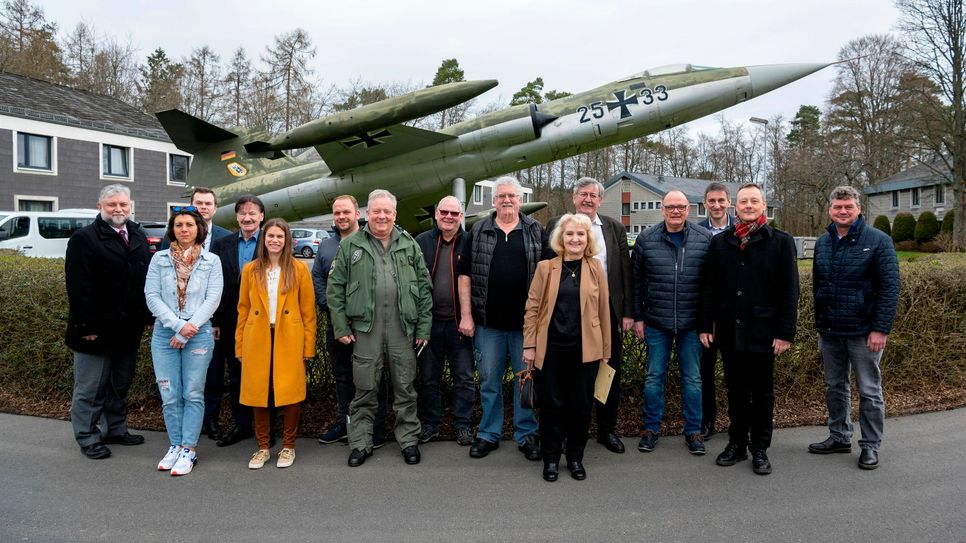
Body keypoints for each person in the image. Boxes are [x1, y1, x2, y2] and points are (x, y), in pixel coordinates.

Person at [327, 189, 433, 467]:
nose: (382, 216)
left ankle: (409, 440)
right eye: (376, 211)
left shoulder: (409, 244)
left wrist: (423, 329)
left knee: (405, 388)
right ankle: (361, 443)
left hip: (402, 329)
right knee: (364, 388)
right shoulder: (351, 246)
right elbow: (335, 289)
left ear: (394, 215)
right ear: (366, 215)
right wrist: (340, 326)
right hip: (366, 330)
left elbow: (423, 288)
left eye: (387, 211)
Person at [699, 183, 799, 476]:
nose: (748, 206)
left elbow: (789, 290)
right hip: (729, 331)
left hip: (764, 331)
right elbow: (709, 288)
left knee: (763, 392)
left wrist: (785, 332)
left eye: (754, 201)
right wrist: (706, 325)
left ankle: (760, 449)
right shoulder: (721, 243)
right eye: (743, 202)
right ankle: (737, 443)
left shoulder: (780, 241)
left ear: (763, 206)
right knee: (736, 390)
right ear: (735, 207)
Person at [808, 186, 899, 470]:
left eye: (848, 206)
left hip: (864, 332)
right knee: (835, 386)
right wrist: (820, 324)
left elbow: (890, 288)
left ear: (858, 208)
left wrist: (880, 328)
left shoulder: (878, 241)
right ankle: (839, 436)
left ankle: (870, 445)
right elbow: (818, 286)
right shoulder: (823, 242)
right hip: (831, 331)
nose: (843, 211)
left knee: (870, 391)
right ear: (830, 210)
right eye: (838, 207)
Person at [458, 176, 545, 461]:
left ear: (520, 200)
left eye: (512, 196)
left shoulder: (535, 230)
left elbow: (547, 277)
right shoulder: (479, 230)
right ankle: (488, 433)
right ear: (494, 200)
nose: (507, 200)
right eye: (501, 196)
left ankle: (526, 433)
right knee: (490, 381)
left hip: (525, 326)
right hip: (488, 324)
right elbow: (465, 275)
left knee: (526, 380)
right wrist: (467, 316)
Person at [544, 177, 633, 454]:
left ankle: (606, 430)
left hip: (605, 311)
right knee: (565, 379)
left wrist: (627, 312)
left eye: (593, 195)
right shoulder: (557, 225)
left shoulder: (614, 228)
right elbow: (546, 268)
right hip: (565, 311)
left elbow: (624, 273)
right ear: (574, 197)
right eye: (583, 194)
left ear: (600, 199)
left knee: (608, 373)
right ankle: (559, 435)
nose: (588, 199)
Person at [65, 184, 151, 460]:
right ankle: (88, 437)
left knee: (119, 383)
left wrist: (147, 316)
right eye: (112, 204)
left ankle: (115, 428)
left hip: (128, 329)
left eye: (123, 204)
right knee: (90, 388)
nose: (118, 209)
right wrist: (86, 327)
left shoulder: (137, 234)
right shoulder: (84, 238)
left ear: (130, 206)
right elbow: (79, 287)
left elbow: (143, 281)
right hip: (96, 330)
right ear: (100, 206)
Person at [525, 213, 611, 482]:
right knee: (551, 406)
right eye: (570, 234)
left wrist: (605, 350)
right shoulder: (545, 268)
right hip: (550, 350)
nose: (575, 239)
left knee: (581, 406)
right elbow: (532, 307)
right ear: (561, 238)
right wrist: (529, 345)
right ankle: (550, 459)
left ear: (588, 239)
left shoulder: (596, 267)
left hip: (585, 350)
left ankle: (575, 458)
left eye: (581, 234)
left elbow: (603, 310)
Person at [144, 207, 223, 475]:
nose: (184, 229)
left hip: (198, 332)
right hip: (166, 333)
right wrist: (178, 327)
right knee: (169, 394)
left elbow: (213, 299)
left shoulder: (212, 261)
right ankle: (175, 445)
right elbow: (152, 296)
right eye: (179, 225)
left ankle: (189, 448)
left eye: (189, 224)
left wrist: (189, 328)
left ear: (198, 229)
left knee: (192, 392)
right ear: (172, 229)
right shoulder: (159, 260)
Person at [632, 190, 711, 455]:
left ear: (688, 209)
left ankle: (694, 431)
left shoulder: (704, 239)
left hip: (691, 324)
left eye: (680, 207)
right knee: (654, 378)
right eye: (670, 207)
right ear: (662, 209)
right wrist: (639, 318)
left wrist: (707, 323)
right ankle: (651, 428)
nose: (675, 211)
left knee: (693, 380)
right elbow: (637, 283)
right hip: (657, 322)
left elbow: (711, 287)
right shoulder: (646, 239)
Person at [236, 218, 317, 469]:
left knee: (290, 393)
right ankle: (262, 447)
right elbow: (243, 309)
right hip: (257, 336)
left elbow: (308, 312)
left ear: (287, 240)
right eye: (270, 236)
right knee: (259, 393)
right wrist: (239, 345)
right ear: (264, 239)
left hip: (288, 337)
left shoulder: (298, 269)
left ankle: (288, 446)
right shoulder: (251, 269)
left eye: (279, 236)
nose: (274, 240)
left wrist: (308, 346)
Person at [312, 195, 389, 447]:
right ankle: (345, 423)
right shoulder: (326, 246)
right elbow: (320, 283)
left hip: (368, 325)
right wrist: (337, 314)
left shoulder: (372, 241)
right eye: (337, 213)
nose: (342, 217)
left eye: (346, 212)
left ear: (358, 214)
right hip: (338, 325)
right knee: (343, 377)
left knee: (373, 376)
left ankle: (375, 426)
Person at [161, 187, 232, 442]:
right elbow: (159, 287)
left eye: (208, 203)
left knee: (210, 375)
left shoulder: (226, 238)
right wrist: (175, 323)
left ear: (214, 208)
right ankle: (180, 430)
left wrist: (216, 321)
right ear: (191, 206)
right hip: (173, 324)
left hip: (209, 322)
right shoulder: (169, 240)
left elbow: (224, 287)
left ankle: (209, 420)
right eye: (198, 203)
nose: (203, 207)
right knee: (177, 379)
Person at [414, 196, 475, 446]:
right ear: (436, 214)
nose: (449, 217)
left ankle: (462, 425)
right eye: (444, 212)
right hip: (429, 325)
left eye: (455, 213)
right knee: (428, 378)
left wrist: (469, 316)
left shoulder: (470, 242)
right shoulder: (421, 242)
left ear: (461, 217)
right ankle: (431, 424)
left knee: (464, 377)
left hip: (459, 324)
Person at [211, 195, 265, 447]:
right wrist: (215, 321)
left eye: (253, 213)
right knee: (236, 375)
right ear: (236, 217)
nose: (247, 217)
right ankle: (242, 425)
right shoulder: (222, 244)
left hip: (266, 321)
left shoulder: (272, 240)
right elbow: (213, 285)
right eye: (242, 213)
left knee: (266, 374)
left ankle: (266, 427)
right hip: (232, 321)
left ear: (261, 216)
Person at [695, 182, 736, 440]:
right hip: (705, 314)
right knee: (704, 373)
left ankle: (737, 422)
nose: (717, 205)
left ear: (729, 202)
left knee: (735, 375)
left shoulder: (741, 229)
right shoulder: (696, 232)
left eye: (721, 200)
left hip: (733, 315)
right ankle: (707, 420)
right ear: (705, 204)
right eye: (712, 201)